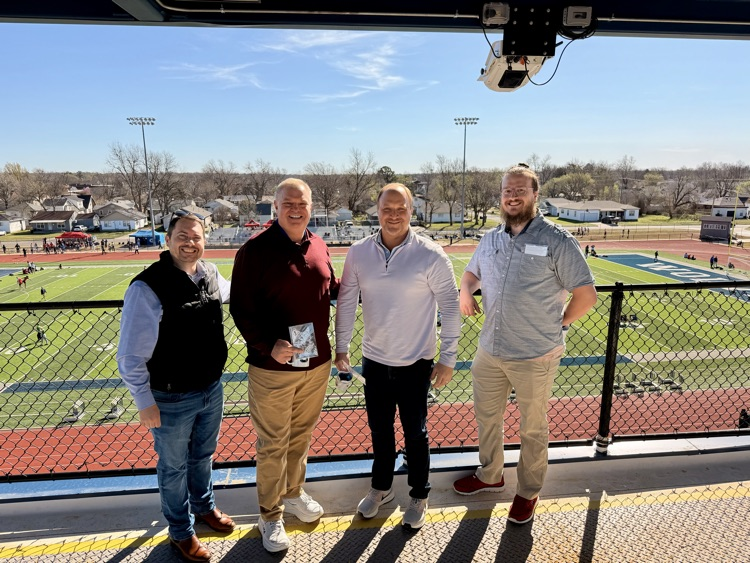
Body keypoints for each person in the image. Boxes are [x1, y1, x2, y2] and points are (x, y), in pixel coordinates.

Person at [452, 165, 597, 525]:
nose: (512, 196)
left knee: (532, 427)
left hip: (535, 353)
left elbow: (586, 295)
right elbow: (471, 273)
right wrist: (465, 291)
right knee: (487, 418)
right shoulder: (491, 238)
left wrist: (560, 322)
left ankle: (528, 491)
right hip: (490, 350)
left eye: (520, 190)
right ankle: (490, 475)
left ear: (534, 194)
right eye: (506, 191)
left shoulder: (557, 240)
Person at [334, 184, 461, 530]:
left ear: (411, 211)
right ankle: (382, 488)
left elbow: (450, 308)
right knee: (379, 431)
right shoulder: (359, 252)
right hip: (374, 360)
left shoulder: (431, 254)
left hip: (415, 362)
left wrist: (448, 357)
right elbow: (346, 301)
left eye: (400, 209)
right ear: (377, 210)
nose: (393, 215)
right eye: (387, 209)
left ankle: (420, 493)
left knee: (415, 433)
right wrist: (341, 347)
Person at [117, 213, 235, 562]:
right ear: (168, 240)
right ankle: (181, 532)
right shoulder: (146, 287)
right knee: (173, 468)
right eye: (182, 236)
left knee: (203, 456)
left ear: (204, 240)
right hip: (170, 396)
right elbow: (129, 355)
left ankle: (204, 508)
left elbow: (239, 291)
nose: (190, 243)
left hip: (211, 388)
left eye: (196, 237)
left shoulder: (210, 273)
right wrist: (144, 401)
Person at [230, 178, 339, 553]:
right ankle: (269, 514)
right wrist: (266, 345)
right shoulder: (254, 251)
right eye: (288, 202)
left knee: (300, 437)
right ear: (275, 207)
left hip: (315, 363)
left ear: (312, 206)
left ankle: (293, 493)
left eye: (303, 202)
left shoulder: (320, 245)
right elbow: (240, 310)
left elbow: (331, 289)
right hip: (273, 369)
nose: (296, 208)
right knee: (273, 443)